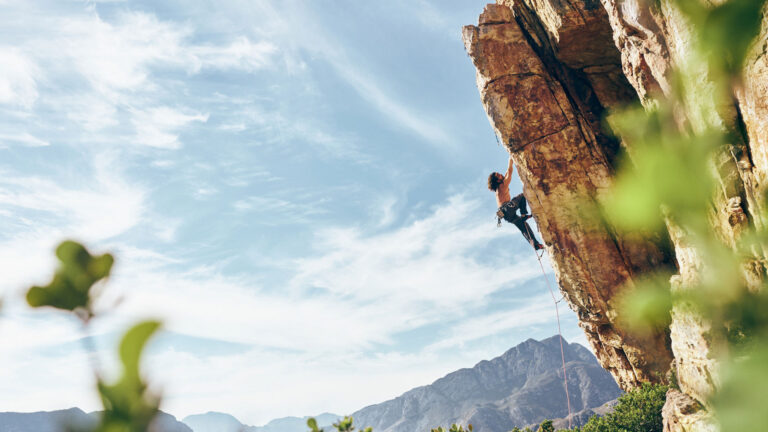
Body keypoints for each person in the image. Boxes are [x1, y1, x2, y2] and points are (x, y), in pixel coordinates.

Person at [488, 155, 544, 251]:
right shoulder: (502, 185)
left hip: (506, 215)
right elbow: (509, 173)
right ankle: (523, 214)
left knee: (524, 227)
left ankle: (535, 244)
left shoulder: (498, 189)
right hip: (507, 208)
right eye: (499, 175)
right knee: (522, 196)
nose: (501, 174)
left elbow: (506, 174)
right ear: (498, 180)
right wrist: (510, 159)